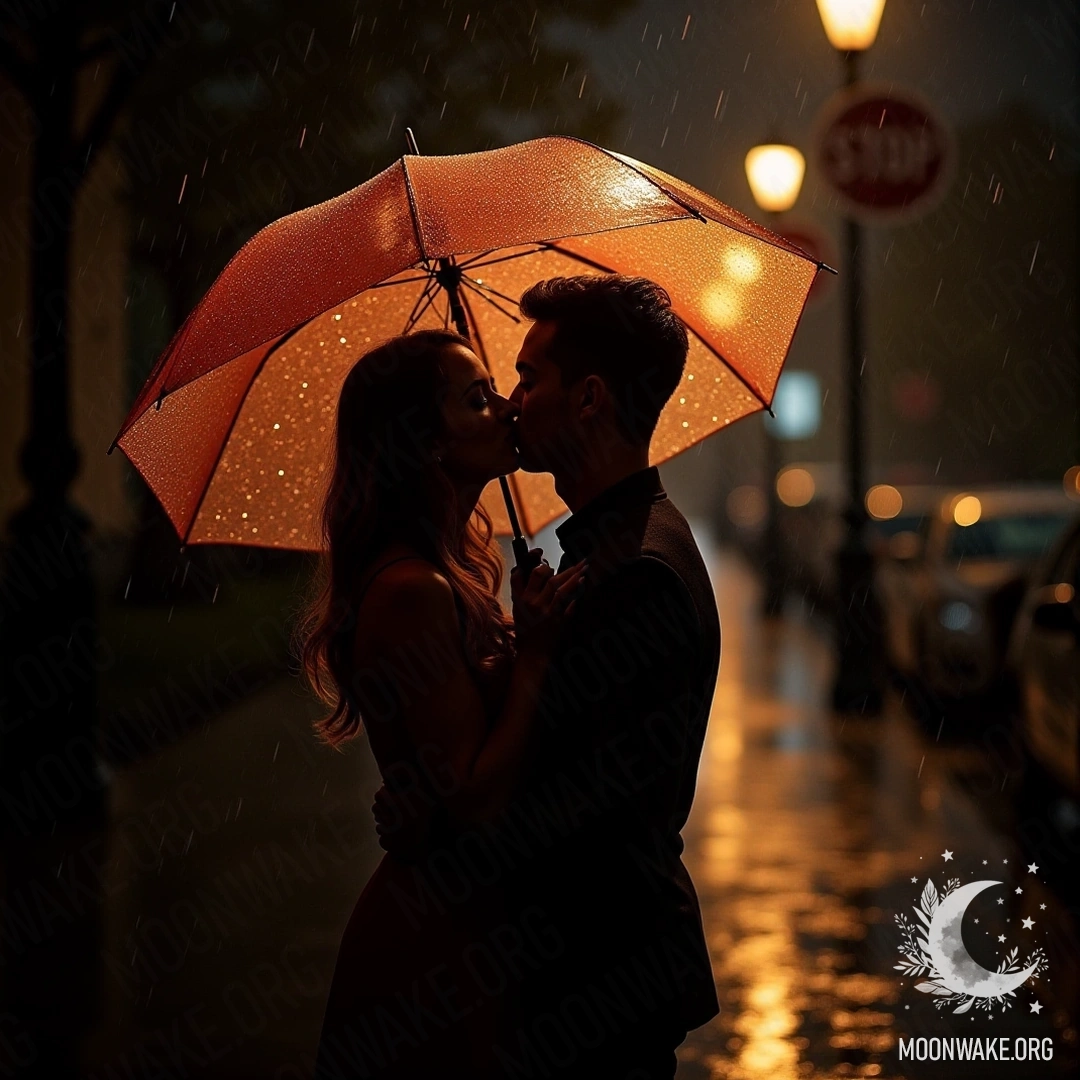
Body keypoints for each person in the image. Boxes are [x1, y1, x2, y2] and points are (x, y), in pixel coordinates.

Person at [376, 275, 722, 1079]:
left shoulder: (636, 573)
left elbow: (575, 813)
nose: (513, 400)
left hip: (594, 984)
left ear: (591, 398)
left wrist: (438, 823)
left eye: (530, 378)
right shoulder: (615, 548)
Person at [298, 328, 586, 1080]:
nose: (505, 408)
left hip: (470, 922)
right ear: (424, 443)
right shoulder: (411, 593)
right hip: (434, 946)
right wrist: (538, 658)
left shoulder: (452, 576)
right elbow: (474, 797)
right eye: (476, 398)